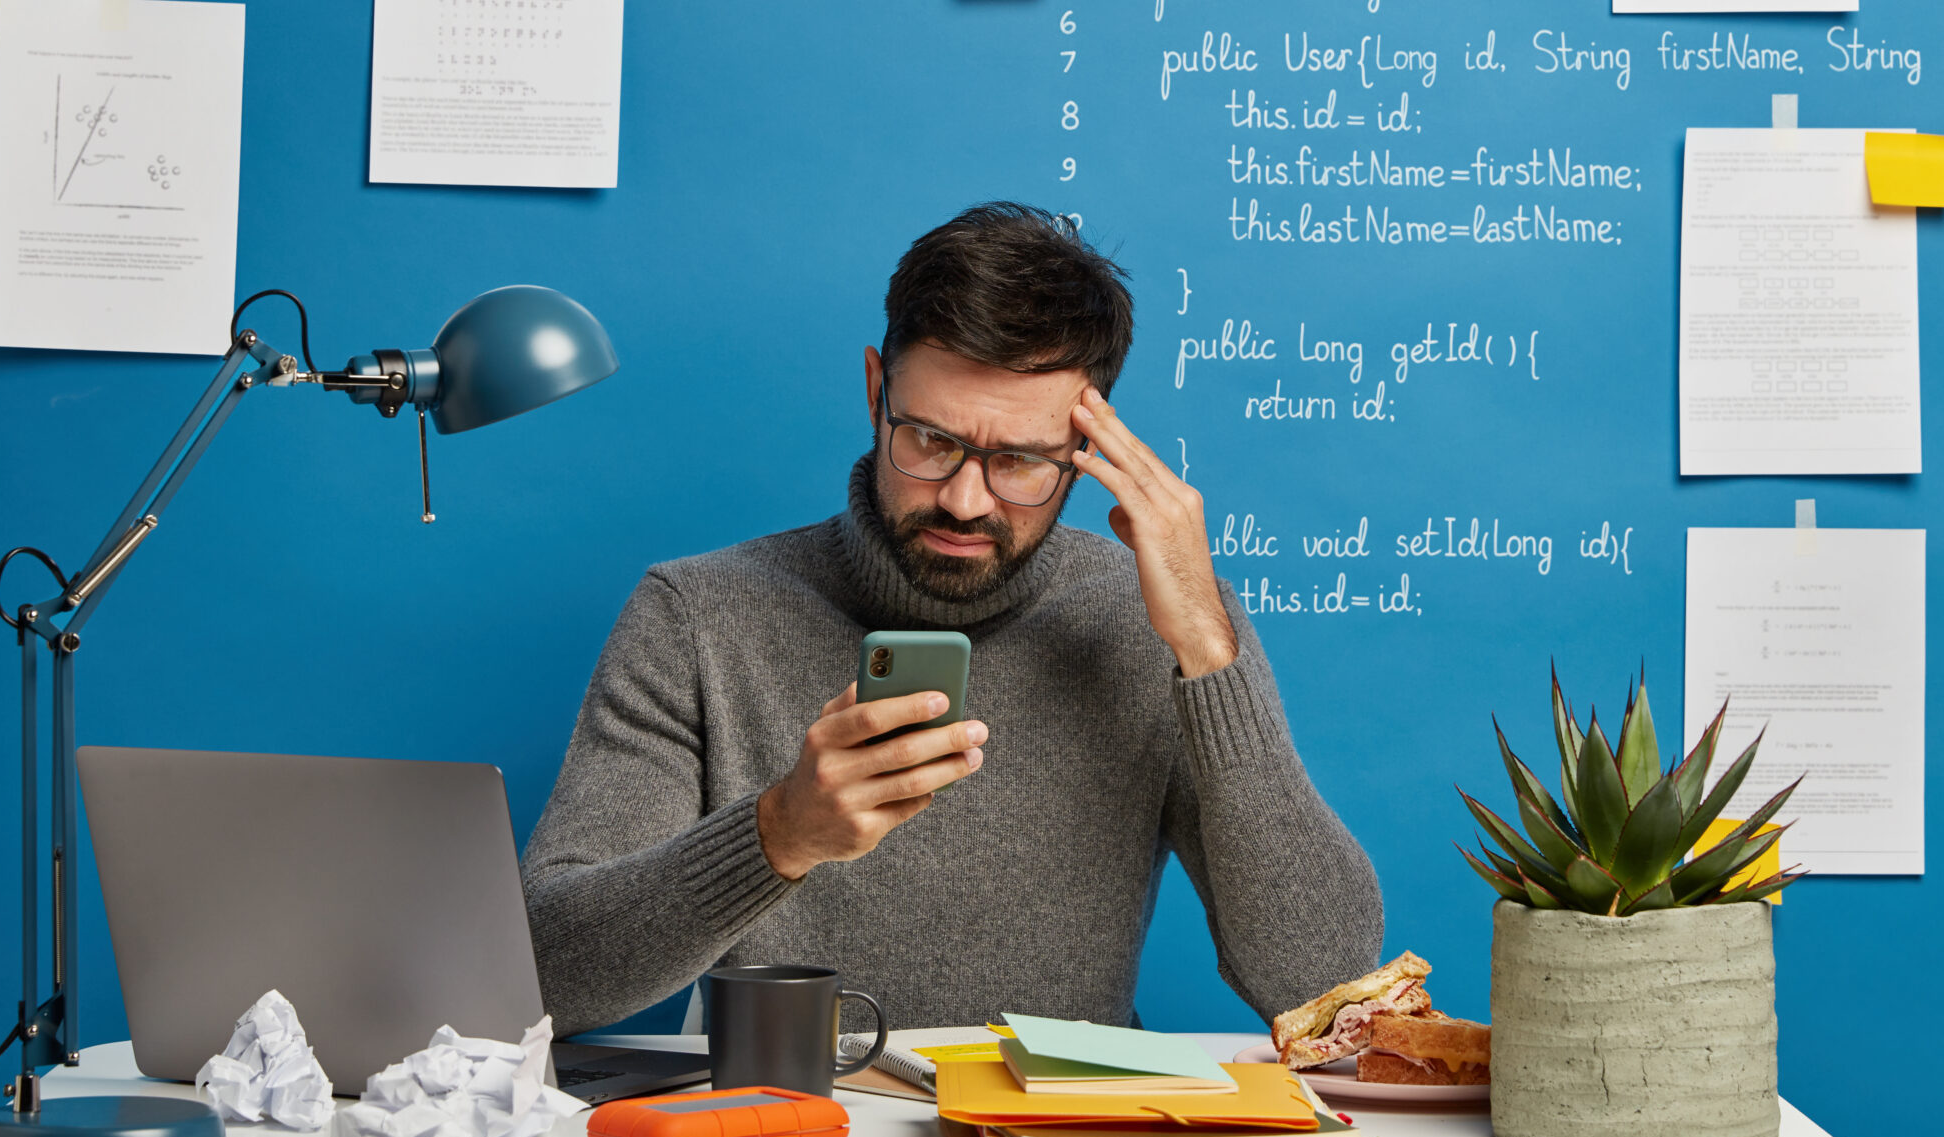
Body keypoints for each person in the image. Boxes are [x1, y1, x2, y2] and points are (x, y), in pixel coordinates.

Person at [523, 203, 1382, 1033]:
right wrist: (778, 832)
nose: (965, 500)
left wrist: (1205, 641)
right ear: (874, 392)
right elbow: (545, 969)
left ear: (1087, 456)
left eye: (1017, 460)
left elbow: (1327, 985)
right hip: (792, 1131)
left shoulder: (1151, 625)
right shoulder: (697, 615)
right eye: (931, 441)